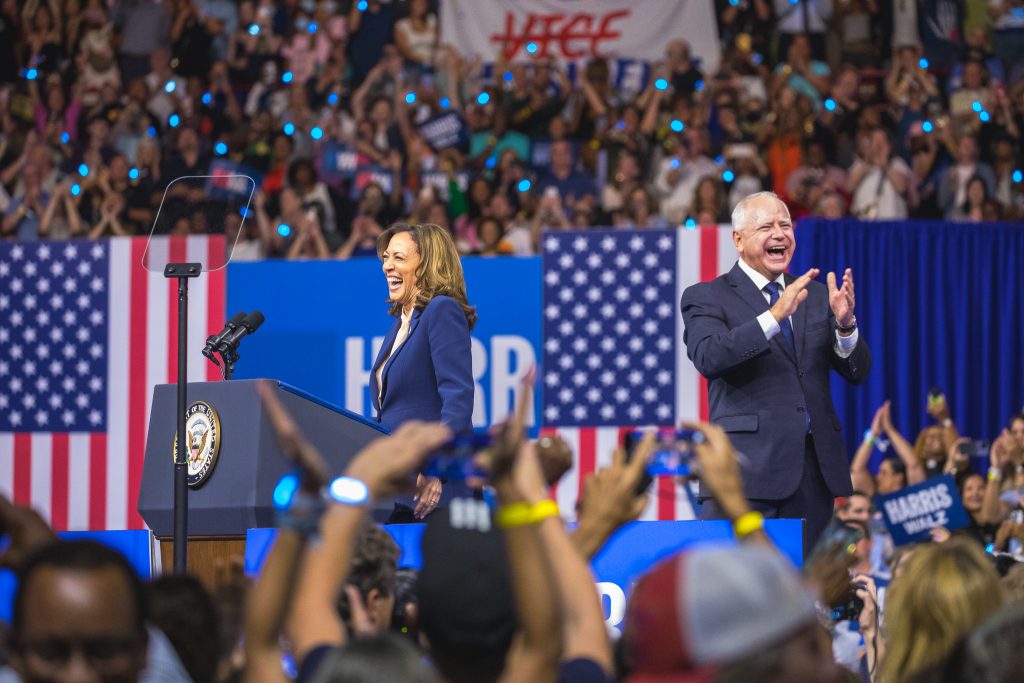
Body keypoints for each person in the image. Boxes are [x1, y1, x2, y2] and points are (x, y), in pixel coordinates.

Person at [680, 191, 872, 550]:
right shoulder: (706, 296)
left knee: (808, 595)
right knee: (743, 595)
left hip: (813, 478)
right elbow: (709, 356)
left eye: (786, 225)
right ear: (738, 240)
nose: (780, 234)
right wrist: (773, 317)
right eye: (766, 226)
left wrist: (845, 326)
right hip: (744, 478)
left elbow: (857, 371)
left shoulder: (816, 296)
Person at [371, 223, 476, 523]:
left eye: (399, 258)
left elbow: (458, 400)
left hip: (433, 495)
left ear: (426, 266)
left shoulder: (441, 311)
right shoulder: (400, 325)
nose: (388, 266)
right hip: (400, 492)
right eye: (386, 258)